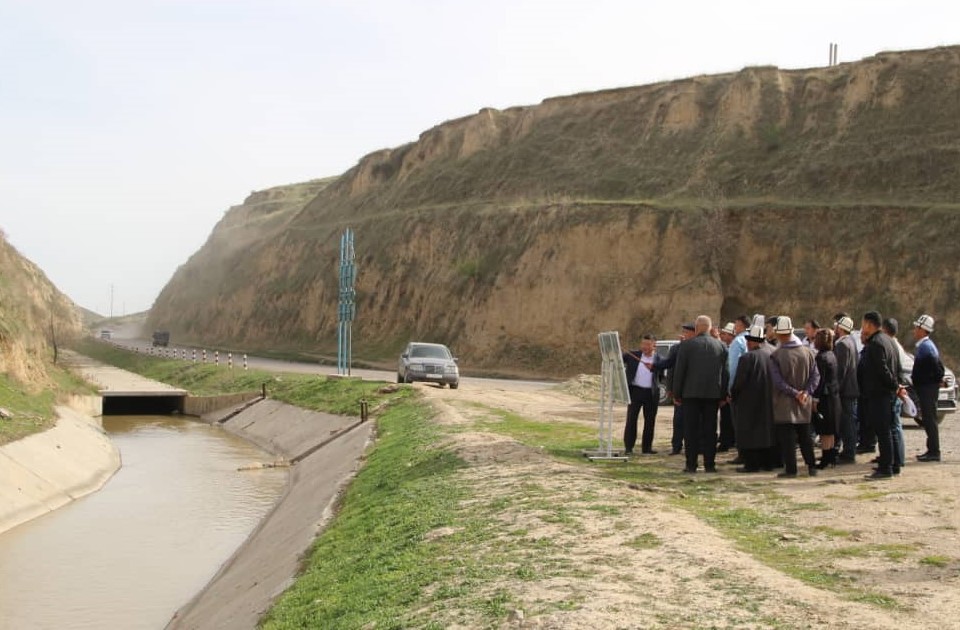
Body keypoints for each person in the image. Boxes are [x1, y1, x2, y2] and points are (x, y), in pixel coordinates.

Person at [672, 315, 729, 473]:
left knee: (691, 430)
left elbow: (680, 372)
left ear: (696, 328)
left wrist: (677, 394)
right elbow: (725, 373)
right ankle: (710, 464)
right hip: (712, 395)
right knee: (710, 430)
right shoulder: (721, 346)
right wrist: (723, 395)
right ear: (710, 328)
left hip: (690, 394)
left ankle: (691, 464)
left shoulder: (686, 346)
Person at [768, 316, 820, 478]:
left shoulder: (776, 355)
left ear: (778, 334)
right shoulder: (808, 353)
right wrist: (806, 392)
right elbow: (815, 376)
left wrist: (794, 392)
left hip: (784, 402)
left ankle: (791, 469)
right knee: (805, 435)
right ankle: (811, 466)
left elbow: (777, 381)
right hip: (804, 401)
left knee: (788, 438)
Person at [858, 311, 903, 480]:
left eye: (863, 324)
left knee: (883, 432)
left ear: (869, 325)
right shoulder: (889, 340)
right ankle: (894, 464)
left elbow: (882, 370)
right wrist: (896, 386)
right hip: (888, 393)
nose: (862, 327)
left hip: (879, 394)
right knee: (889, 430)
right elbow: (897, 367)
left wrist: (894, 385)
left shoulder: (876, 343)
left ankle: (886, 468)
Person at [729, 325, 775, 472]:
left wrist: (733, 395)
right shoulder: (771, 354)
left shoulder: (747, 358)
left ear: (752, 342)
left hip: (748, 401)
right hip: (768, 399)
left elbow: (739, 382)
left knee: (749, 433)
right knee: (766, 432)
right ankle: (767, 463)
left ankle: (751, 465)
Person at [622, 334, 660, 455]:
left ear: (654, 345)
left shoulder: (659, 359)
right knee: (631, 419)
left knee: (650, 421)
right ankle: (629, 447)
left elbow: (661, 375)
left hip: (651, 393)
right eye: (643, 344)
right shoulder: (633, 355)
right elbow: (618, 358)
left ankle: (647, 448)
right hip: (635, 391)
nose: (644, 347)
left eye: (647, 344)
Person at [912, 314, 943, 462]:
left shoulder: (926, 347)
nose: (914, 330)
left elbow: (937, 369)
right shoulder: (926, 346)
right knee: (929, 419)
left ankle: (934, 452)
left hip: (927, 389)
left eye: (917, 328)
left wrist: (933, 381)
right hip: (927, 388)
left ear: (922, 329)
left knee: (930, 420)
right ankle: (931, 450)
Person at [663, 323, 697, 455]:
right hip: (680, 391)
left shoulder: (698, 348)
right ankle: (676, 446)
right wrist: (670, 388)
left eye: (687, 332)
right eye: (683, 332)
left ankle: (693, 446)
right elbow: (671, 370)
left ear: (694, 334)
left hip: (693, 391)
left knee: (694, 421)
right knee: (678, 420)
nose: (683, 335)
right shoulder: (676, 348)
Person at [833, 315, 860, 464]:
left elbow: (841, 370)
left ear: (840, 328)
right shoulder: (851, 342)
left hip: (845, 391)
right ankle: (849, 450)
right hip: (851, 388)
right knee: (849, 421)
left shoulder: (842, 344)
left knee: (847, 422)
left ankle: (849, 453)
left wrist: (836, 389)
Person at [812, 329, 841, 468]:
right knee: (830, 429)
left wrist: (815, 398)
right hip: (833, 396)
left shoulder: (821, 358)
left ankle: (825, 458)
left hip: (824, 397)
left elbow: (819, 380)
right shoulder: (832, 355)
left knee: (824, 430)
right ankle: (831, 456)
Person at [882, 318, 908, 470]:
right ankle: (895, 458)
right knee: (895, 426)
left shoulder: (892, 345)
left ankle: (898, 459)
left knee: (895, 426)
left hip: (894, 390)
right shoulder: (895, 345)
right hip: (896, 388)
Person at [717, 322, 738, 452]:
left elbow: (729, 371)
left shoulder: (732, 349)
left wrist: (726, 393)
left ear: (731, 335)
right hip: (728, 389)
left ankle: (726, 442)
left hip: (730, 389)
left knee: (727, 418)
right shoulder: (728, 347)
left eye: (724, 334)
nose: (722, 336)